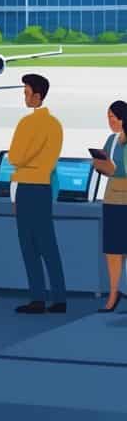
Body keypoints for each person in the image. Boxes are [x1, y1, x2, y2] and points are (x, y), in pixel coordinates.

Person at [8, 73, 66, 314]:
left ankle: (37, 297)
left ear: (37, 95)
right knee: (48, 245)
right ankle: (59, 297)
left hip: (26, 188)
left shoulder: (27, 123)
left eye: (26, 93)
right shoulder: (56, 125)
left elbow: (15, 157)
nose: (24, 97)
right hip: (43, 187)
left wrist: (22, 161)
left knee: (29, 246)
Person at [93, 100, 127, 313]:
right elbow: (108, 167)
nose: (110, 122)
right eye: (108, 118)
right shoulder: (111, 140)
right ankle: (114, 293)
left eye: (113, 118)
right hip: (112, 200)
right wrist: (99, 165)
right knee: (113, 250)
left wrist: (114, 170)